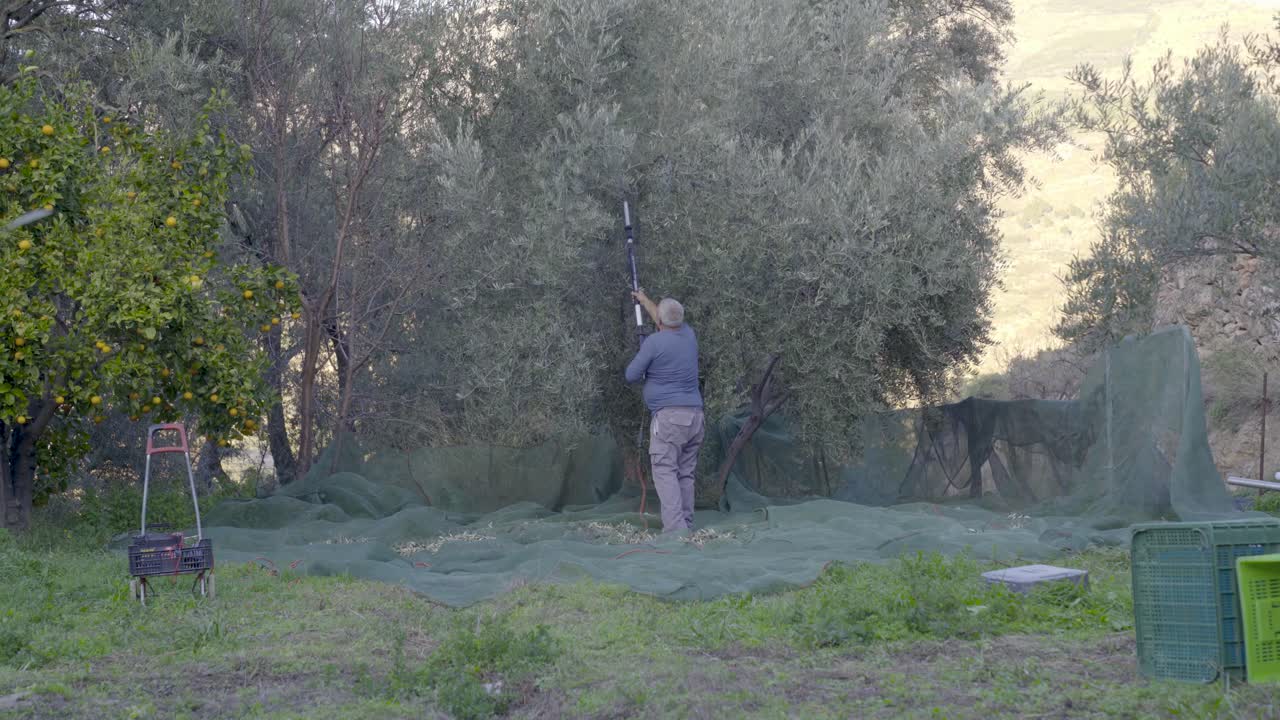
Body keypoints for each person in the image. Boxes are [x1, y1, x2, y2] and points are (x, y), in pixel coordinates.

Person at [624, 289, 704, 533]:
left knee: (665, 471)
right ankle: (686, 525)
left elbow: (631, 375)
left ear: (659, 320)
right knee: (685, 473)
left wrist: (647, 360)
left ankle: (676, 533)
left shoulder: (654, 342)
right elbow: (663, 319)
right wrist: (643, 300)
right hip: (695, 417)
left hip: (669, 419)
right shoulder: (689, 334)